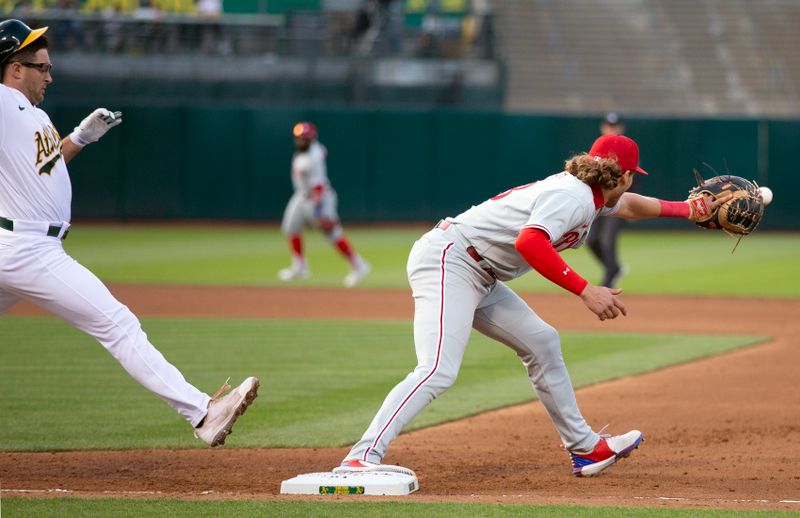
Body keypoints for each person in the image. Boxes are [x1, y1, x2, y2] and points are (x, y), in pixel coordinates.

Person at [331, 134, 728, 477]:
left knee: (542, 342)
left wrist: (687, 209)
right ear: (624, 175)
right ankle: (361, 456)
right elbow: (530, 242)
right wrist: (586, 289)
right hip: (450, 260)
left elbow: (630, 206)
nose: (629, 185)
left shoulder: (590, 193)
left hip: (478, 271)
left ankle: (585, 447)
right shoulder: (572, 197)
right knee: (437, 369)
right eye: (631, 178)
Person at [0, 19, 258, 447]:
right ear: (14, 68)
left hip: (16, 244)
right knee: (118, 323)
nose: (50, 75)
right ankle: (202, 412)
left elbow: (45, 171)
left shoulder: (31, 113)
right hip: (29, 248)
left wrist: (80, 138)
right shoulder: (3, 103)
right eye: (41, 67)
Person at [278, 121, 371, 288]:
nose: (300, 141)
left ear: (311, 139)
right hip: (301, 196)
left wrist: (319, 212)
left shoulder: (312, 158)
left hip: (318, 199)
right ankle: (300, 266)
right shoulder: (307, 151)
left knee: (332, 233)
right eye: (298, 138)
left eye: (304, 138)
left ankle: (359, 265)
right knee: (291, 227)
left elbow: (319, 187)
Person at [587, 112, 631, 287]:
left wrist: (632, 206)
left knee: (608, 240)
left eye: (615, 126)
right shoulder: (597, 148)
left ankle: (608, 283)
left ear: (621, 127)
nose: (611, 129)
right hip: (596, 202)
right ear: (602, 127)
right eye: (609, 126)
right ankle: (613, 268)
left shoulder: (626, 147)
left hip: (618, 201)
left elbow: (633, 178)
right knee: (591, 240)